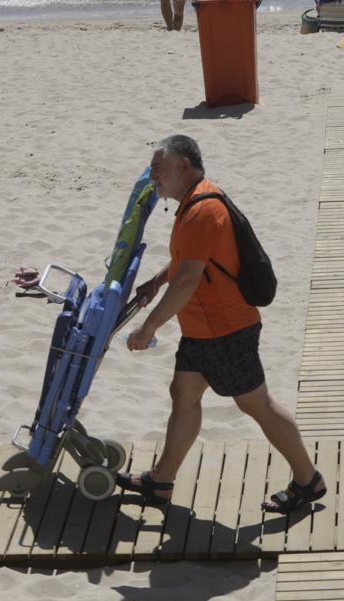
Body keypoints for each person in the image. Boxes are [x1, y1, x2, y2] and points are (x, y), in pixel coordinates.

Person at [120, 135, 325, 514]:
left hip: (226, 330)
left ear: (183, 166)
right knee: (184, 395)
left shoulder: (202, 210)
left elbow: (188, 281)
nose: (152, 176)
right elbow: (188, 261)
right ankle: (161, 482)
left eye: (158, 168)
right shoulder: (192, 201)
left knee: (257, 405)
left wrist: (149, 328)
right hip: (202, 329)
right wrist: (156, 280)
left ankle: (307, 479)